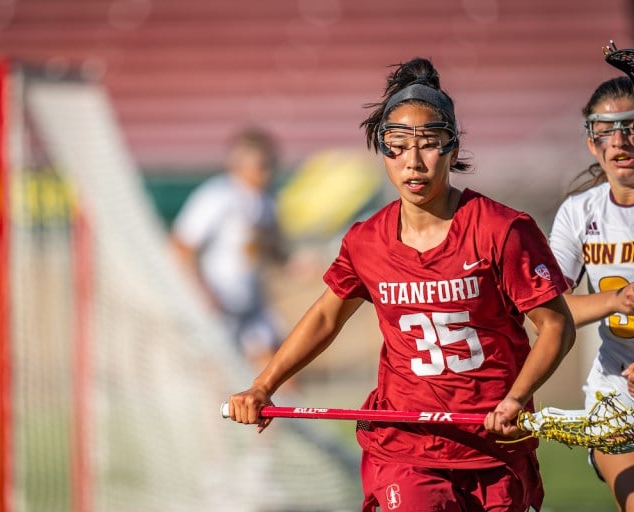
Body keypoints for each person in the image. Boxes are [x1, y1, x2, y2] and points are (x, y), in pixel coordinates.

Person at [227, 57, 576, 512]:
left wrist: (514, 400)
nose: (414, 161)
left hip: (493, 445)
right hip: (404, 446)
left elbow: (556, 327)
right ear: (382, 149)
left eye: (429, 144)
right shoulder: (366, 240)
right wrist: (264, 385)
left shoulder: (502, 229)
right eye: (397, 144)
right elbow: (326, 317)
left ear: (452, 148)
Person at [548, 54, 634, 511]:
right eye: (607, 130)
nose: (621, 140)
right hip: (616, 393)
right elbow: (549, 311)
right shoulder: (580, 213)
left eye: (632, 126)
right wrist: (614, 299)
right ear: (591, 143)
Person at [171, 127, 286, 368]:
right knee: (217, 376)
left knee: (279, 364)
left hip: (251, 303)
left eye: (271, 164)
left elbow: (273, 252)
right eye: (262, 164)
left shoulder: (265, 202)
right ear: (240, 164)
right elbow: (180, 245)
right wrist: (203, 293)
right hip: (219, 305)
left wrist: (294, 263)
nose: (268, 172)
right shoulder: (218, 196)